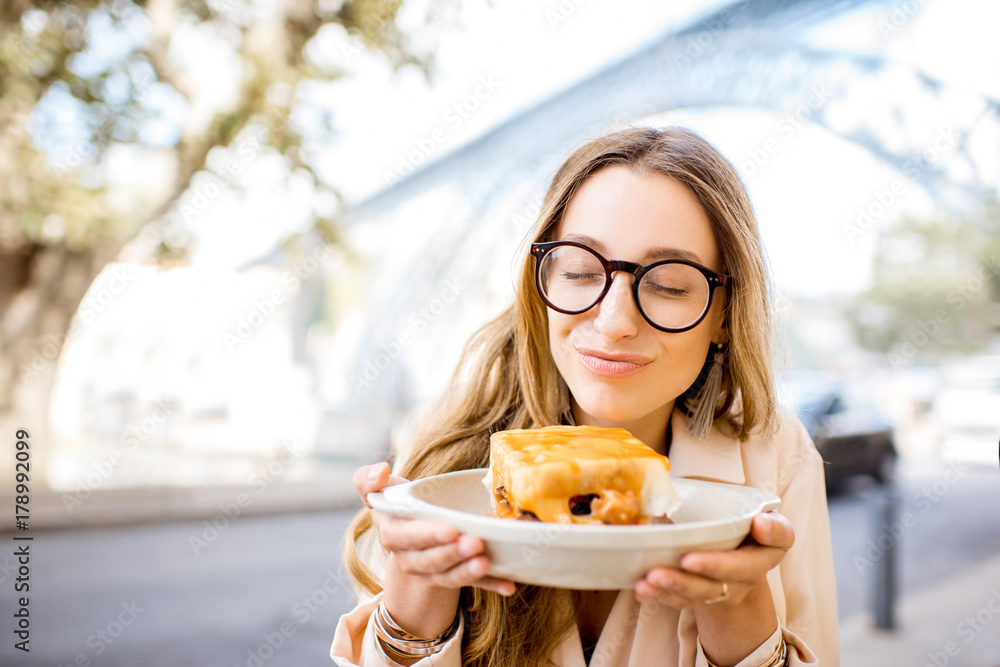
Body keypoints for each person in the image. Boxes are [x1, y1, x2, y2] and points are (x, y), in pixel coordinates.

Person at [331, 126, 838, 667]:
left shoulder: (779, 458)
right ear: (540, 282)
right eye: (579, 270)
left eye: (669, 285)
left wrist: (741, 618)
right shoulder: (444, 458)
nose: (614, 322)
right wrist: (417, 600)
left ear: (722, 315)